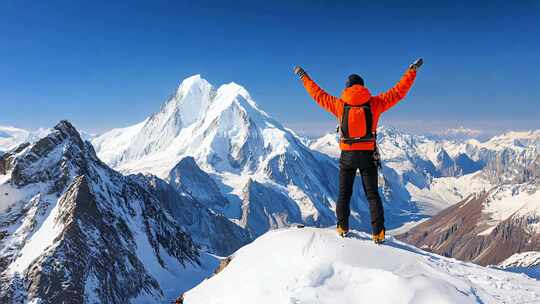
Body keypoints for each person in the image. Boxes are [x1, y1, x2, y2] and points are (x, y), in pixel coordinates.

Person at [293, 59, 422, 243]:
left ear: (347, 87)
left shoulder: (339, 105)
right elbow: (398, 92)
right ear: (362, 86)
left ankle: (342, 227)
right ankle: (378, 233)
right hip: (368, 155)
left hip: (347, 156)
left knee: (344, 194)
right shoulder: (375, 104)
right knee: (372, 194)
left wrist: (303, 76)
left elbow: (317, 94)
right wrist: (412, 71)